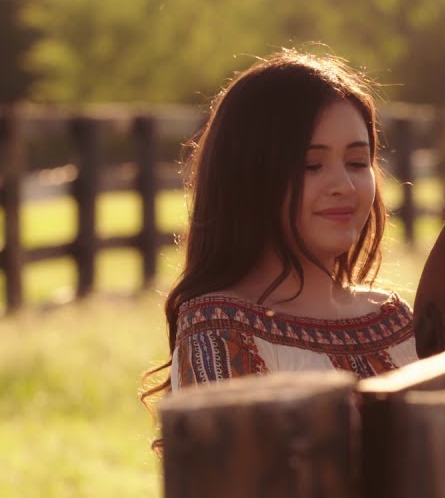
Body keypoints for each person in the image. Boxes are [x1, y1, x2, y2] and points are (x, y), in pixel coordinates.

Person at [141, 50, 415, 405]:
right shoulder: (220, 332)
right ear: (250, 178)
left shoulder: (393, 320)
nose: (344, 186)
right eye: (311, 165)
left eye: (357, 162)